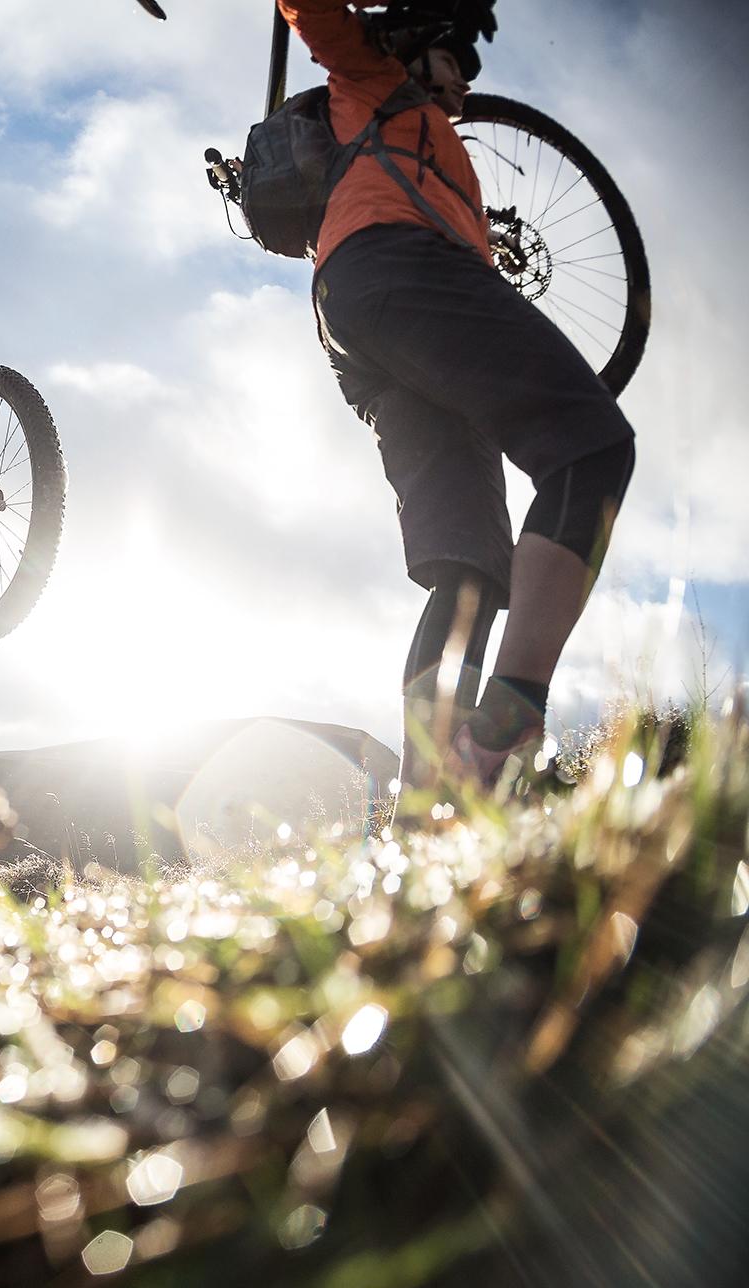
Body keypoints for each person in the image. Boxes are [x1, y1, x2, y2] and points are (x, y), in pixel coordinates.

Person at [282, 0, 636, 794]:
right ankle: (499, 738)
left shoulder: (431, 145)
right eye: (456, 65)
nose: (465, 88)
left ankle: (425, 808)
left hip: (364, 318)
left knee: (470, 573)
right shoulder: (370, 77)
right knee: (592, 448)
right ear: (410, 50)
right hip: (397, 268)